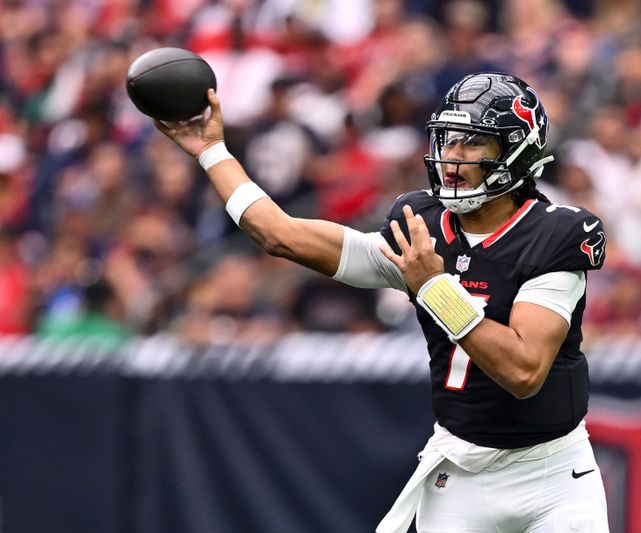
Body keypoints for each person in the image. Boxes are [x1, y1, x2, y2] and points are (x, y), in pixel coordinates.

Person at [155, 72, 609, 533]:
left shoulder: (554, 235)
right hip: (460, 475)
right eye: (448, 141)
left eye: (472, 144)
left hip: (552, 476)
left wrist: (436, 289)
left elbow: (523, 372)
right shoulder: (419, 230)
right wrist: (212, 151)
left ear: (515, 151)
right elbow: (280, 234)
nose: (451, 158)